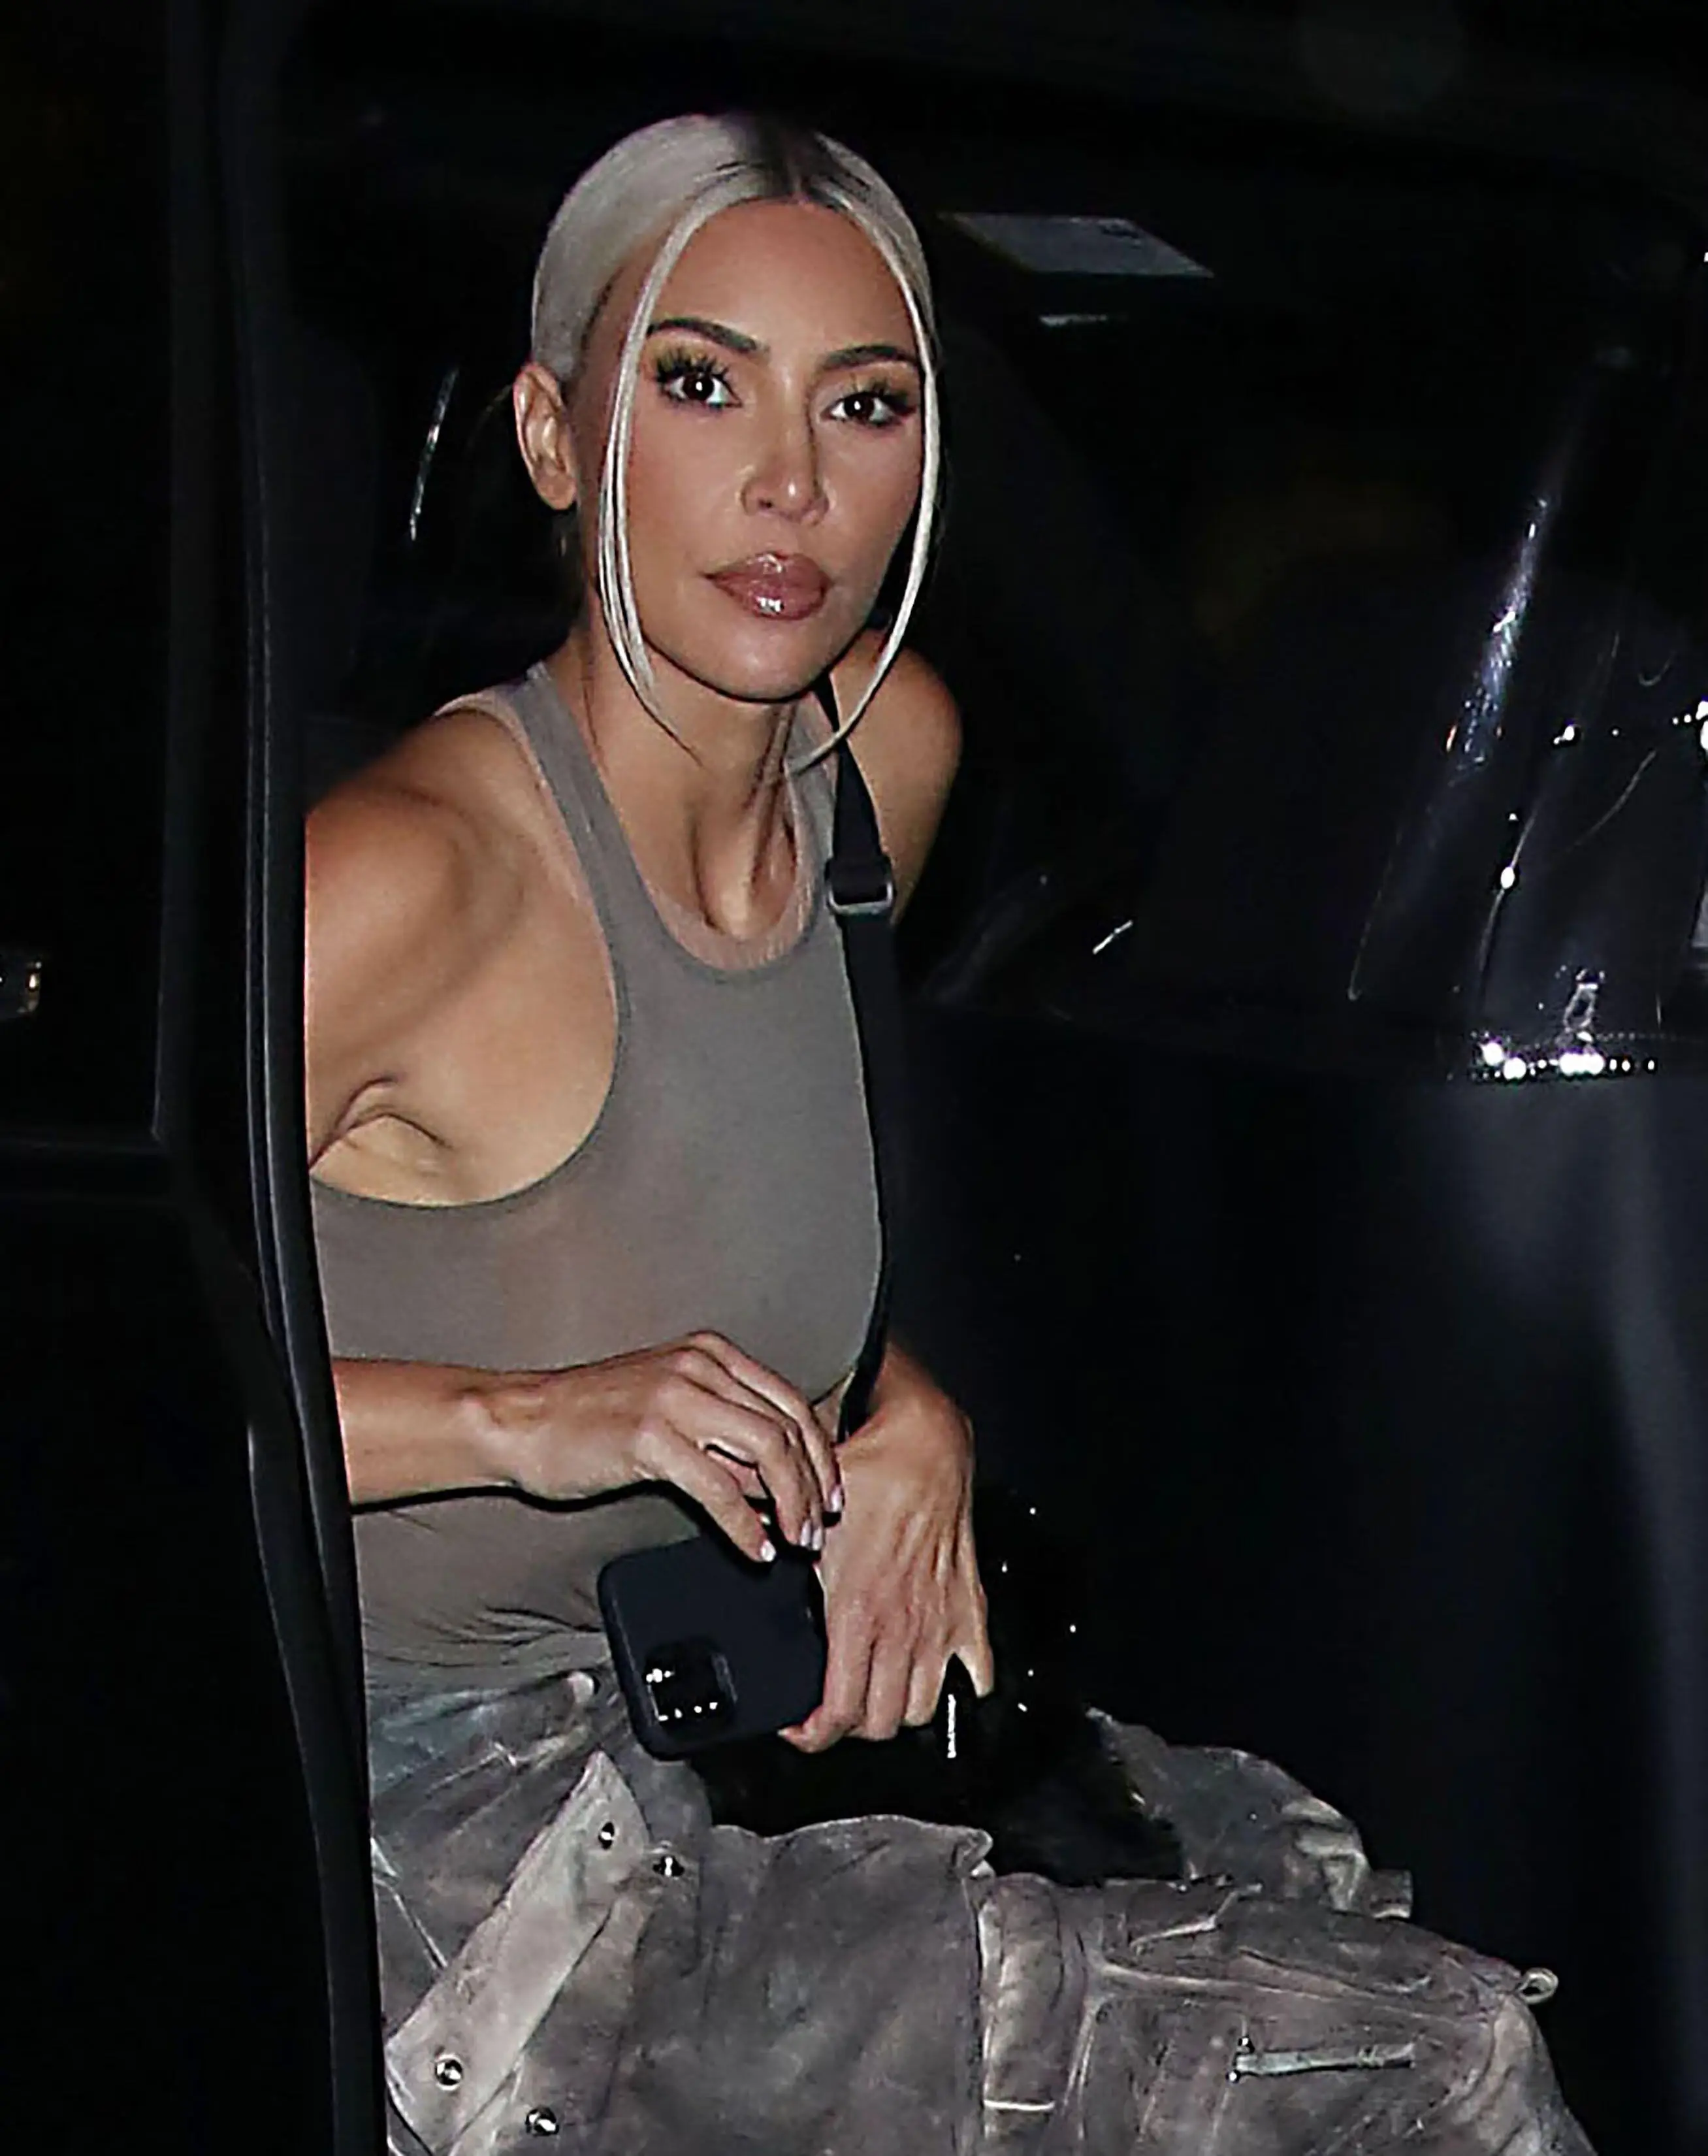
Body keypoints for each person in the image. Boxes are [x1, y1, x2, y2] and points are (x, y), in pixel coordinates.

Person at [306, 112, 1592, 2154]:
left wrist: (896, 1401)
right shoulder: (408, 876)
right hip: (424, 1843)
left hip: (690, 1725)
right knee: (1414, 2063)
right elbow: (92, 1371)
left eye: (864, 403)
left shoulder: (876, 769)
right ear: (555, 438)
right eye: (699, 383)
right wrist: (516, 1417)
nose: (790, 483)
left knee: (1304, 1889)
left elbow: (699, 1209)